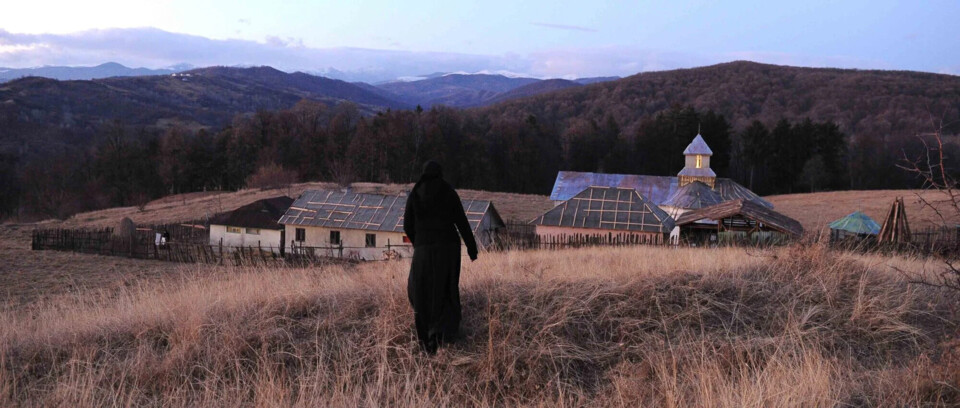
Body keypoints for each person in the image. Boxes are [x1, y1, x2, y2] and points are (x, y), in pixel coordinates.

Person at [404, 161, 478, 354]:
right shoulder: (448, 192)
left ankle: (426, 341)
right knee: (446, 289)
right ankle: (444, 333)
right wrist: (472, 248)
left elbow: (407, 225)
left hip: (423, 250)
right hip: (448, 248)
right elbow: (461, 221)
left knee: (421, 291)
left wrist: (419, 241)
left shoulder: (415, 193)